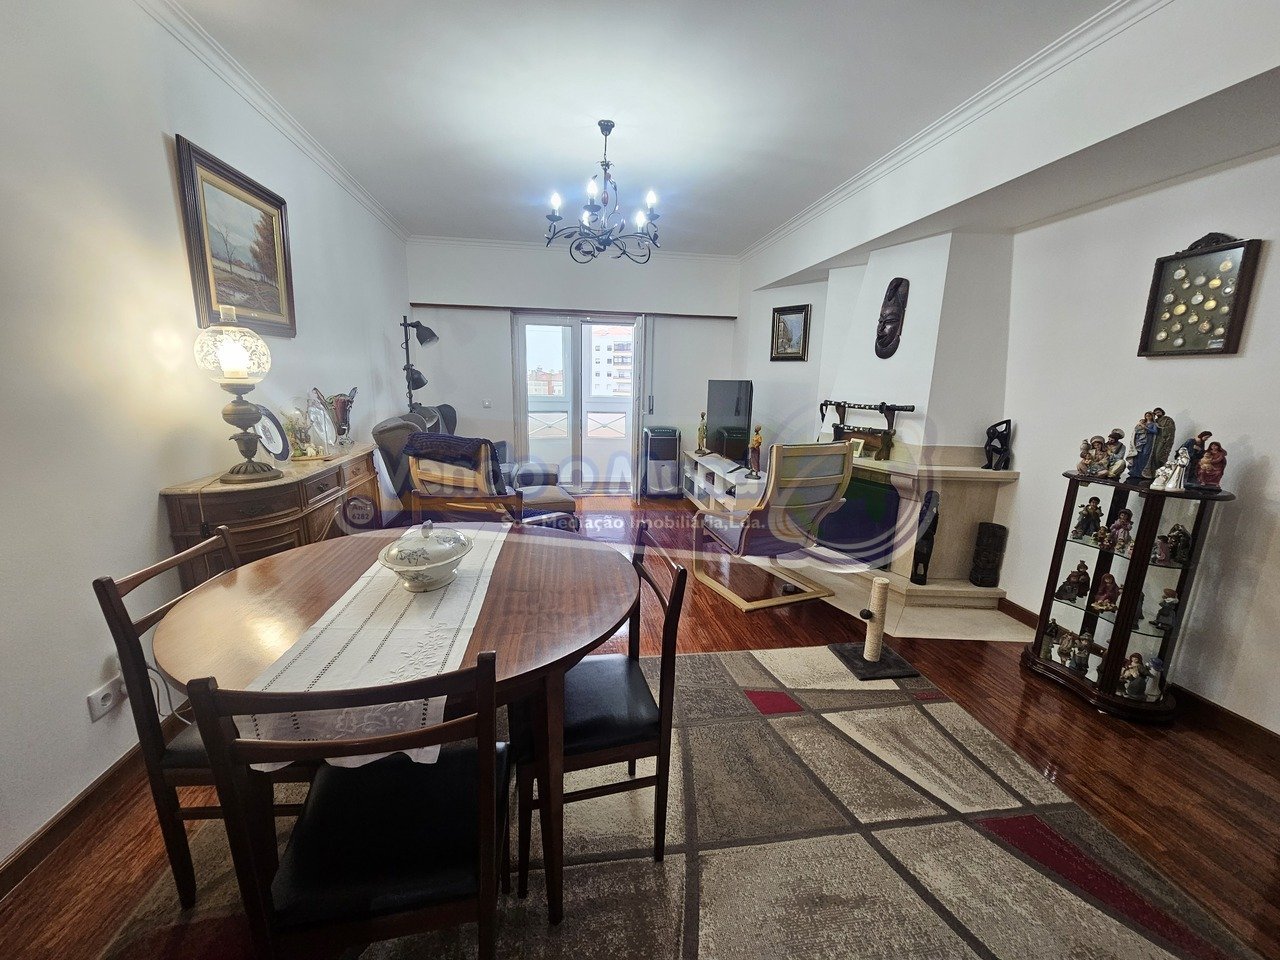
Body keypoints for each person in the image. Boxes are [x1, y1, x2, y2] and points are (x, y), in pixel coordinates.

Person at [1143, 407, 1176, 481]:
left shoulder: (1167, 419)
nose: (1157, 414)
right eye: (1156, 413)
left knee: (1159, 456)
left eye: (1158, 412)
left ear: (1162, 412)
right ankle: (1154, 472)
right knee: (1153, 456)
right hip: (1155, 440)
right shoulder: (1155, 421)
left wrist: (1160, 427)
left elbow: (1171, 429)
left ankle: (1160, 472)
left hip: (1164, 440)